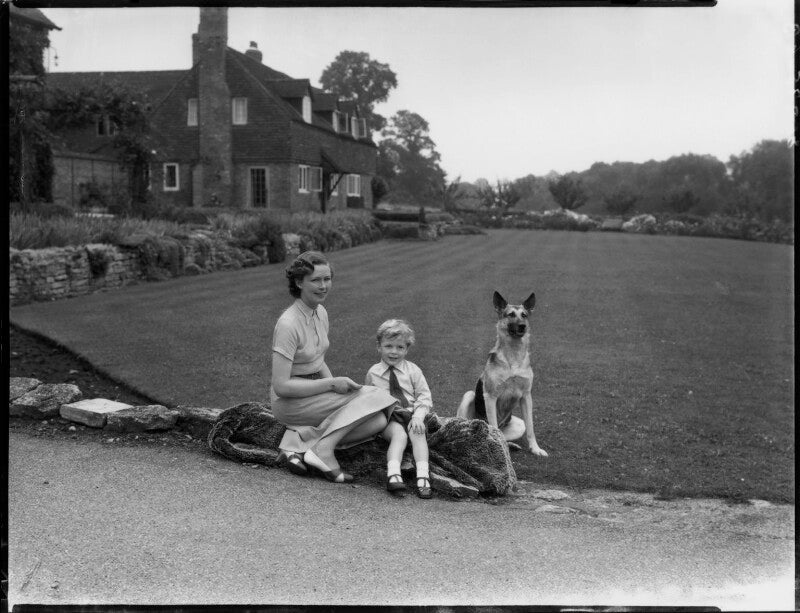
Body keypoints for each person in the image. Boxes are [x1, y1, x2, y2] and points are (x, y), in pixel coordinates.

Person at [270, 251, 402, 484]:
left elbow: (318, 361)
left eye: (327, 279)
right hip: (290, 401)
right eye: (315, 280)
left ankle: (300, 442)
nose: (323, 286)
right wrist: (332, 384)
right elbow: (281, 386)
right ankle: (324, 449)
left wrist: (337, 390)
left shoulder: (320, 312)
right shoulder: (288, 324)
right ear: (299, 282)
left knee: (378, 421)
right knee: (377, 396)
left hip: (315, 390)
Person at [365, 319, 433, 499]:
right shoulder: (373, 373)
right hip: (389, 417)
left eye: (400, 347)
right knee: (399, 435)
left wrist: (418, 417)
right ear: (379, 346)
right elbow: (368, 399)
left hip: (411, 414)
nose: (394, 352)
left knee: (417, 433)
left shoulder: (413, 371)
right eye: (388, 346)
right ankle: (394, 474)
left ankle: (423, 476)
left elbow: (424, 397)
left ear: (407, 349)